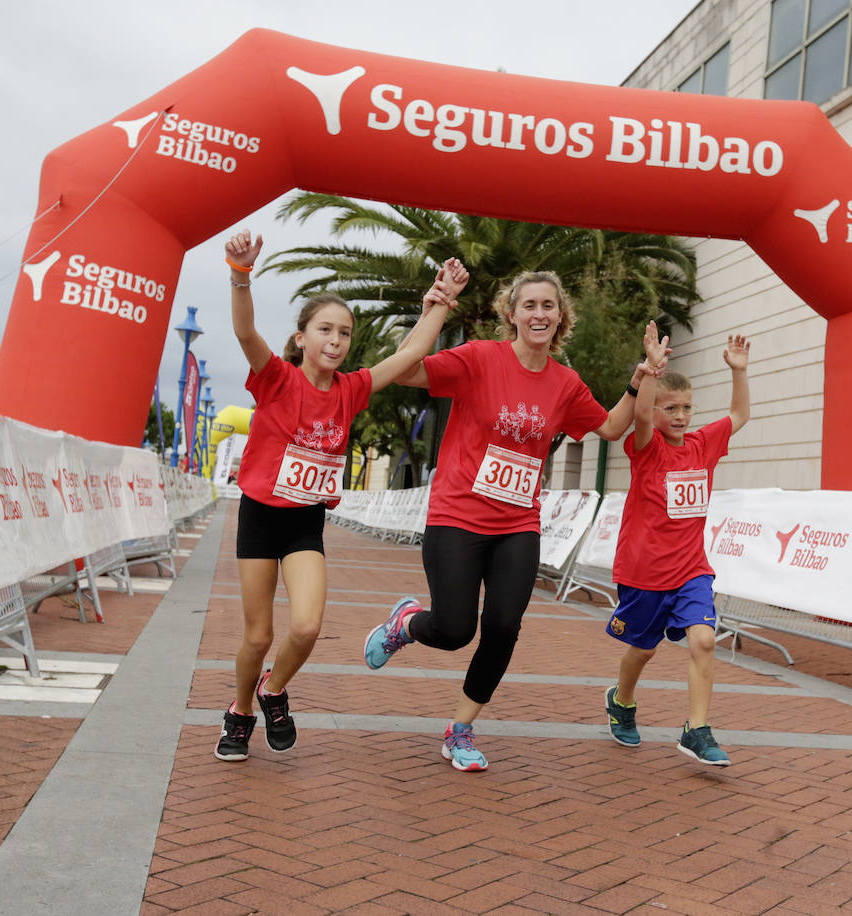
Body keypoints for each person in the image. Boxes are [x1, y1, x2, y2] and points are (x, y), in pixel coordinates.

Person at [362, 271, 668, 772]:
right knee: (455, 629)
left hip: (517, 525)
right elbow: (405, 369)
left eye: (549, 305)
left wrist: (642, 378)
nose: (540, 314)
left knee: (504, 626)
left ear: (560, 317)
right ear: (513, 314)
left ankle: (460, 728)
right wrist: (436, 306)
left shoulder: (565, 384)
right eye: (529, 305)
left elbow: (612, 427)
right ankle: (406, 625)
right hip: (458, 516)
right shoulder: (480, 358)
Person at [216, 229, 467, 762]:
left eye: (345, 333)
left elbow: (410, 356)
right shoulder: (277, 379)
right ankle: (239, 713)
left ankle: (273, 691)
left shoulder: (351, 389)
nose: (336, 340)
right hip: (260, 516)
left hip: (304, 521)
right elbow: (244, 332)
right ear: (303, 337)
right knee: (258, 636)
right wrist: (241, 276)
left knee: (306, 625)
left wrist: (440, 301)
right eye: (325, 330)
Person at [602, 329, 750, 765]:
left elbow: (739, 415)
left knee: (703, 640)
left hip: (691, 571)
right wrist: (650, 370)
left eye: (687, 407)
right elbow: (641, 415)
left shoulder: (704, 445)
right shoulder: (645, 448)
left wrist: (739, 372)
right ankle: (621, 700)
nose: (681, 416)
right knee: (643, 649)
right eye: (673, 408)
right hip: (643, 573)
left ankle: (697, 730)